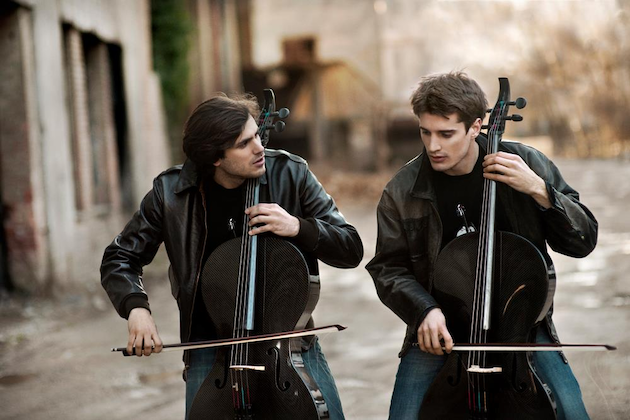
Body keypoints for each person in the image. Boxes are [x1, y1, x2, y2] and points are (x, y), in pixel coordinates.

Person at [101, 93, 363, 419]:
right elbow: (120, 256)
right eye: (244, 144)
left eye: (257, 135)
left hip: (286, 349)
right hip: (212, 354)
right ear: (215, 158)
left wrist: (299, 227)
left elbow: (350, 248)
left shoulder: (291, 173)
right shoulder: (171, 193)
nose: (259, 148)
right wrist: (136, 307)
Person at [366, 71, 598, 419]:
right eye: (425, 132)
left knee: (570, 412)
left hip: (520, 330)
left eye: (446, 134)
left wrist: (540, 191)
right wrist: (424, 310)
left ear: (476, 127)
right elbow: (387, 267)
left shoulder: (527, 164)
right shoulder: (402, 190)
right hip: (442, 332)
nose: (433, 146)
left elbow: (583, 241)